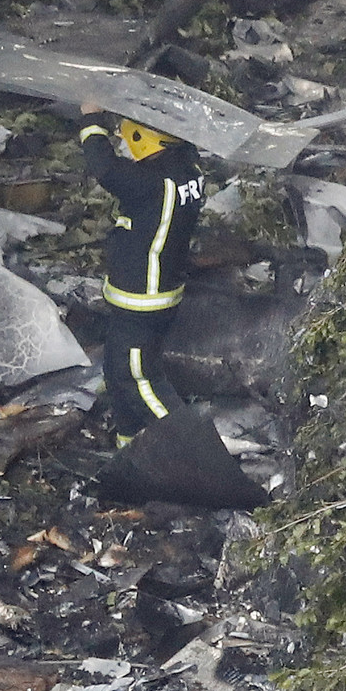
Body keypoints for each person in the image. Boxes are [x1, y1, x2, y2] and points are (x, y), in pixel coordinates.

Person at [78, 103, 206, 448]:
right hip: (154, 296)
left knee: (138, 379)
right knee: (116, 375)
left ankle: (192, 449)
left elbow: (105, 168)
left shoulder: (151, 184)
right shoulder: (188, 170)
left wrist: (91, 119)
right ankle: (131, 449)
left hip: (141, 301)